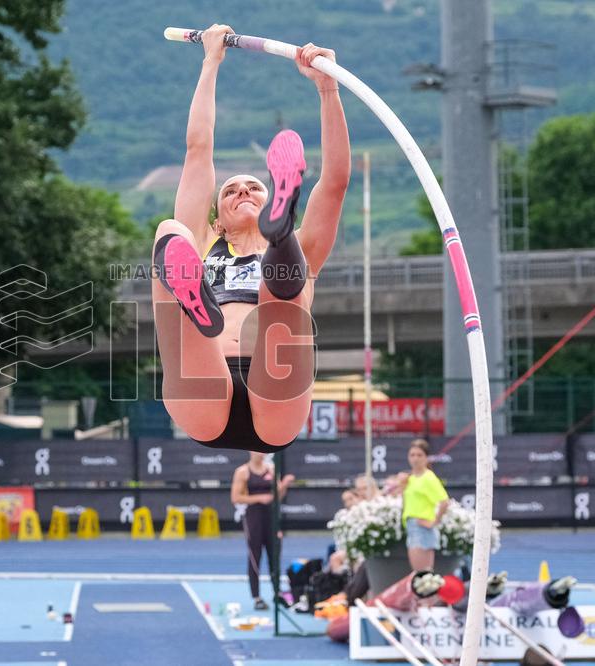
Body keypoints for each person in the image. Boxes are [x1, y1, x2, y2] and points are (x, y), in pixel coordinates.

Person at [151, 23, 350, 454]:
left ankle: (278, 235)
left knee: (284, 294)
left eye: (253, 187)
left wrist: (327, 90)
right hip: (204, 382)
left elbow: (334, 183)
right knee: (170, 233)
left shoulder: (306, 250)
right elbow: (198, 150)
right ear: (217, 219)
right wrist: (210, 61)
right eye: (230, 190)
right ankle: (193, 306)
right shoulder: (204, 242)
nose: (241, 190)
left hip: (275, 382)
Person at [231, 451, 295, 610]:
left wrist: (284, 485)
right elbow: (235, 497)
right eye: (257, 451)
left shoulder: (271, 469)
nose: (261, 454)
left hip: (270, 517)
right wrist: (258, 498)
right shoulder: (243, 471)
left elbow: (278, 495)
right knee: (255, 556)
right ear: (251, 452)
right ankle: (256, 596)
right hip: (253, 517)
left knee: (274, 555)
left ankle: (277, 592)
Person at [402, 439, 449, 571]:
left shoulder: (429, 478)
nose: (415, 459)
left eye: (419, 455)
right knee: (420, 577)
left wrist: (434, 521)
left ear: (426, 458)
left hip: (421, 527)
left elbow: (444, 502)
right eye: (412, 455)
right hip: (412, 526)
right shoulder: (410, 478)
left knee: (423, 576)